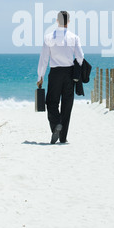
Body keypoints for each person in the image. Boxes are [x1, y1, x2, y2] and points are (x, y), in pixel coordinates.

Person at [37, 11, 84, 144]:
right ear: (68, 21)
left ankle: (56, 124)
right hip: (69, 74)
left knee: (51, 102)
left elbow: (44, 59)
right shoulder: (74, 37)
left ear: (57, 21)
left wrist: (40, 76)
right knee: (67, 104)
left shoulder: (48, 37)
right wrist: (77, 68)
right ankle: (63, 137)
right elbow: (80, 57)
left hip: (55, 73)